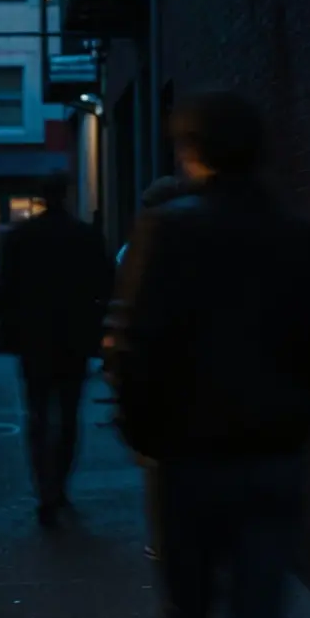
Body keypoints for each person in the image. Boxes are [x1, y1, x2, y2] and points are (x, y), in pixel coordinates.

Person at [111, 91, 310, 618]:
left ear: (194, 151)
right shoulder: (301, 236)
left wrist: (146, 434)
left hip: (188, 457)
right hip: (272, 453)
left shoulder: (169, 230)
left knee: (187, 615)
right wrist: (297, 425)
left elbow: (139, 346)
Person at [0, 188, 115, 527]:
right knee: (68, 413)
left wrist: (7, 326)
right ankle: (58, 485)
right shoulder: (84, 236)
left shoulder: (22, 237)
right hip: (73, 335)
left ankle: (44, 488)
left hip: (34, 336)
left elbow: (6, 287)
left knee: (37, 413)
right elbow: (104, 283)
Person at [104, 175, 195, 562]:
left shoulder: (136, 252)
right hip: (196, 381)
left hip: (160, 380)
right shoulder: (205, 244)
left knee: (160, 471)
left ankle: (165, 543)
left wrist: (120, 379)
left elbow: (125, 317)